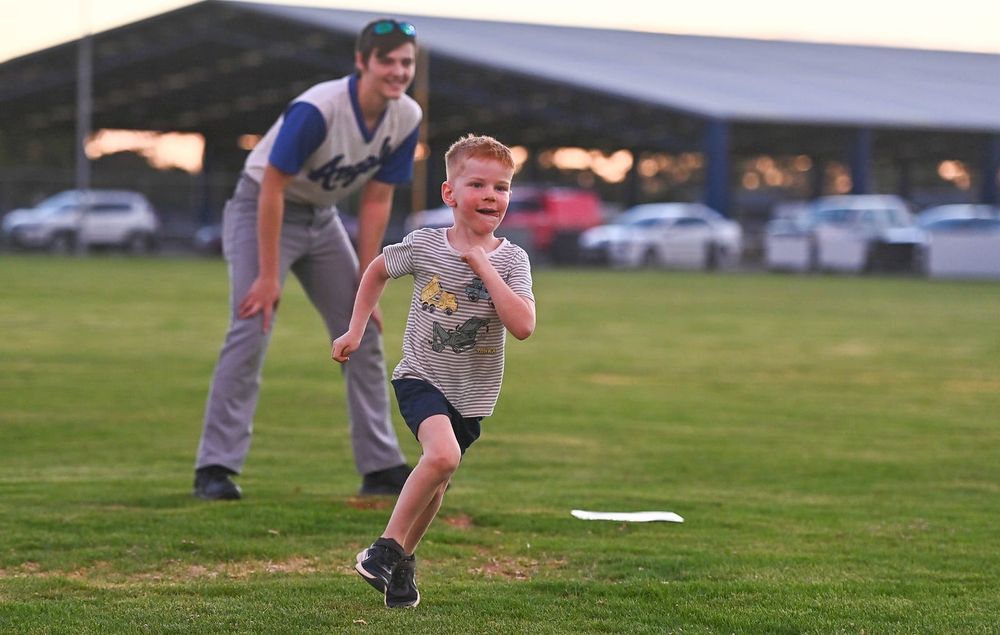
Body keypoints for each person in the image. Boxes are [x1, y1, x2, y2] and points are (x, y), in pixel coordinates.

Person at [193, 18, 423, 501]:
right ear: (362, 62)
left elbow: (377, 200)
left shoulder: (406, 116)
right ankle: (215, 467)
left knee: (364, 331)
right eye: (387, 60)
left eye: (406, 62)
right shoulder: (320, 107)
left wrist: (366, 286)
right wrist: (269, 277)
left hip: (321, 217)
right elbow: (272, 185)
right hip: (262, 207)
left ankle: (380, 466)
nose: (398, 71)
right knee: (253, 322)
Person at [332, 134, 536, 608]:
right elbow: (378, 270)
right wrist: (356, 330)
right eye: (478, 184)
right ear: (450, 193)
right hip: (421, 375)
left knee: (439, 480)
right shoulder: (425, 245)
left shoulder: (512, 260)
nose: (491, 196)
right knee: (442, 457)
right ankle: (383, 549)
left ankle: (402, 560)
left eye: (502, 187)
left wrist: (484, 267)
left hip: (472, 394)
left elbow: (523, 325)